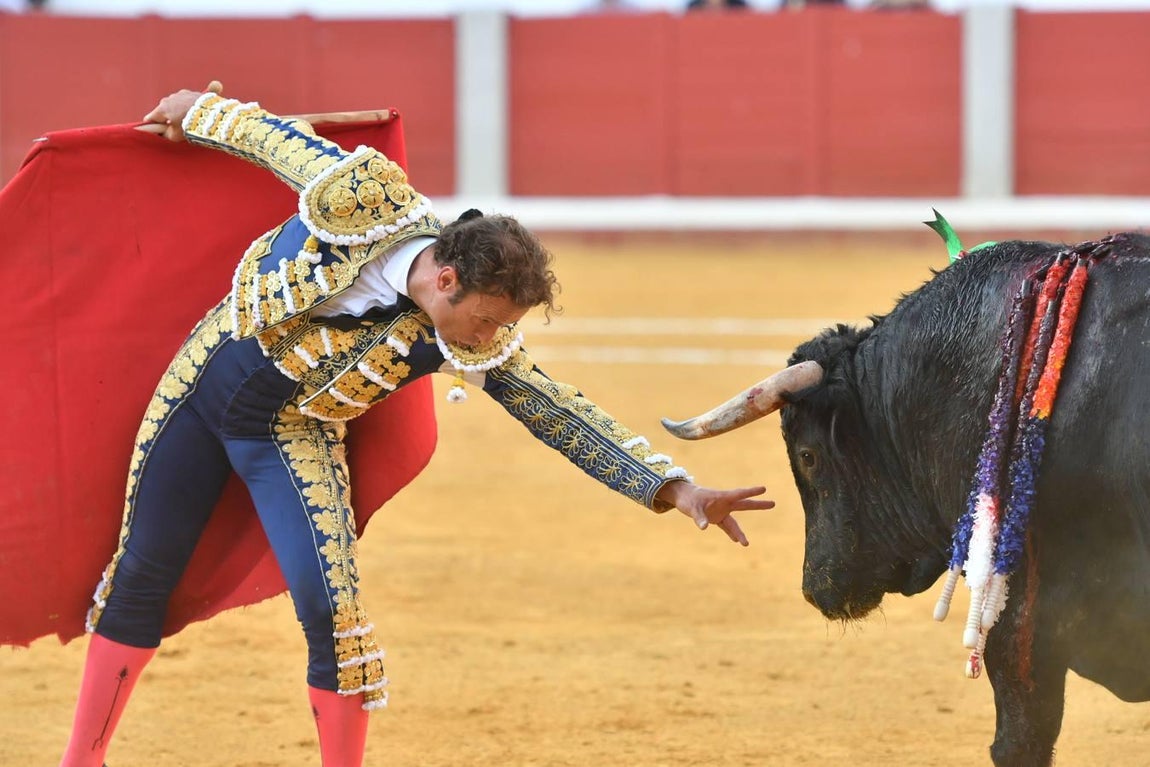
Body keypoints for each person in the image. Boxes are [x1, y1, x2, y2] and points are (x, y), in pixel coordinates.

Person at [58, 82, 777, 767]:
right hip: (199, 387)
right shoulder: (358, 193)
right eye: (486, 318)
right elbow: (264, 135)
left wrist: (674, 486)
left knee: (335, 618)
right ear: (446, 280)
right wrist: (195, 110)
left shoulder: (471, 338)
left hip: (291, 434)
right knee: (141, 573)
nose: (488, 337)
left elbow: (558, 411)